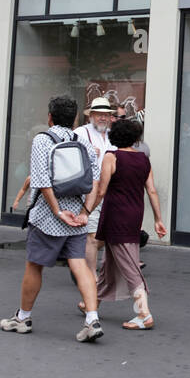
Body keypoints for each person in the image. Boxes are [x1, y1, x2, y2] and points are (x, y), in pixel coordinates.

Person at [0, 96, 103, 343]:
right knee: (81, 265)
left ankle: (23, 318)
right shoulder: (84, 143)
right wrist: (85, 214)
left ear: (50, 117)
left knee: (34, 265)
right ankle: (91, 319)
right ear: (75, 119)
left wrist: (57, 211)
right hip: (77, 216)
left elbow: (41, 181)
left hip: (48, 216)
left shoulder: (42, 140)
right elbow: (95, 184)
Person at [83, 118, 166, 329]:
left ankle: (144, 314)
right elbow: (152, 191)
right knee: (109, 264)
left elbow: (101, 191)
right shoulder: (143, 160)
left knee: (129, 264)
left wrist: (85, 212)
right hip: (134, 213)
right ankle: (91, 304)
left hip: (115, 214)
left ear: (113, 136)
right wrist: (158, 219)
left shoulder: (111, 157)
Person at [75, 98, 117, 277]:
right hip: (90, 192)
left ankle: (78, 259)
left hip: (110, 192)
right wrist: (85, 152)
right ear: (91, 115)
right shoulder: (80, 133)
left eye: (106, 114)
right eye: (99, 114)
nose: (103, 117)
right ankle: (91, 276)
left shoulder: (112, 135)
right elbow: (67, 157)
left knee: (107, 235)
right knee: (92, 236)